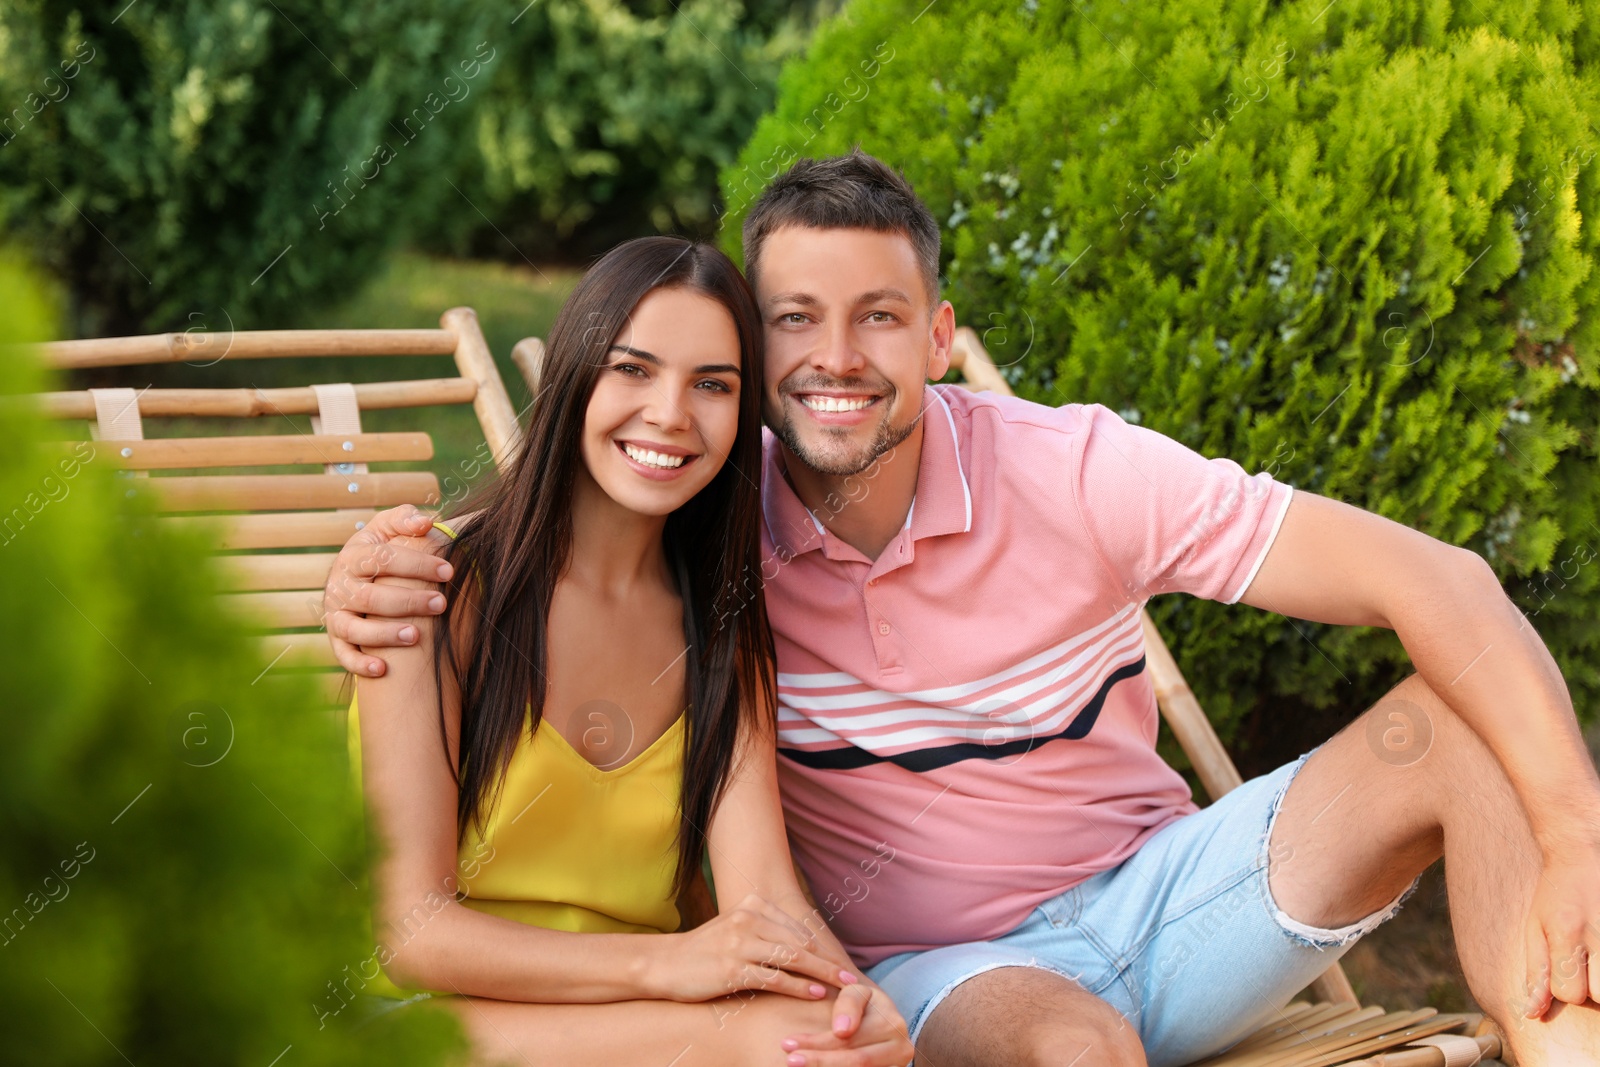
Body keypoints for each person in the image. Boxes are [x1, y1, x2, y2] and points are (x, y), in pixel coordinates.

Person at [328, 154, 1600, 1067]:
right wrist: (374, 571)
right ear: (762, 361)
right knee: (1068, 1045)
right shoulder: (709, 547)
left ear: (937, 335)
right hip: (956, 978)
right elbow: (425, 908)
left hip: (1171, 897)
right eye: (791, 325)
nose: (835, 358)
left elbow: (1432, 575)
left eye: (878, 316)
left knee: (1452, 727)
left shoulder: (1068, 474)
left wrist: (1578, 831)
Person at [347, 235, 913, 1067]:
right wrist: (671, 962)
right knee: (771, 1045)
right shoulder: (428, 586)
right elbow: (409, 933)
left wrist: (856, 1004)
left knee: (825, 1044)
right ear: (576, 374)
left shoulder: (722, 630)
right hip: (423, 1025)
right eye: (633, 369)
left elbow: (765, 897)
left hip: (643, 1022)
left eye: (713, 385)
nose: (671, 415)